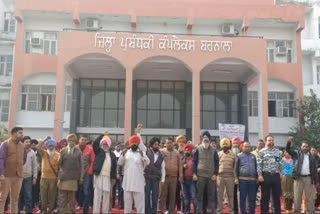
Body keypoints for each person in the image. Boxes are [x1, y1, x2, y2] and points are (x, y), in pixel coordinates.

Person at [118, 129, 150, 214]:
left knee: (140, 206)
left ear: (138, 143)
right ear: (130, 143)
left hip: (138, 183)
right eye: (133, 142)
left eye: (136, 142)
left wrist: (143, 156)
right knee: (127, 206)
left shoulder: (141, 152)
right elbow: (120, 163)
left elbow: (148, 162)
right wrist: (122, 155)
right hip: (127, 182)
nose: (135, 143)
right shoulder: (126, 152)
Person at [286, 136, 318, 214]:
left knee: (309, 197)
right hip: (298, 178)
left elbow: (314, 170)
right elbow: (288, 150)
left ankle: (310, 211)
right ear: (301, 147)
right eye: (303, 146)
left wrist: (315, 181)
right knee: (297, 197)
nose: (305, 148)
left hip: (308, 178)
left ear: (308, 148)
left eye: (306, 146)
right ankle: (297, 211)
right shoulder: (297, 154)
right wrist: (289, 142)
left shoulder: (312, 157)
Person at [0, 127, 25, 214]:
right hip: (6, 175)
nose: (22, 135)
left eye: (22, 133)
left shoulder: (22, 145)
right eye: (20, 133)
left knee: (15, 198)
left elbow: (23, 159)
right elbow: (1, 159)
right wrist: (1, 173)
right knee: (2, 198)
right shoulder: (5, 144)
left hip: (18, 176)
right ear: (13, 133)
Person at [192, 131, 219, 214]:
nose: (205, 140)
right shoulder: (197, 149)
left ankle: (210, 211)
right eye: (204, 138)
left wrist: (215, 174)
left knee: (211, 196)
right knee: (199, 196)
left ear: (209, 140)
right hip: (200, 176)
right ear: (202, 139)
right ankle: (199, 211)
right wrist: (194, 174)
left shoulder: (214, 151)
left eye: (207, 138)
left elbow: (217, 163)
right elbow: (195, 162)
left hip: (211, 176)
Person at [257, 135, 284, 214]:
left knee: (276, 197)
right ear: (266, 141)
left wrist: (284, 174)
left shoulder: (278, 152)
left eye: (272, 140)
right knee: (265, 197)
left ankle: (276, 212)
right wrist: (259, 175)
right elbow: (259, 164)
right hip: (266, 176)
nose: (271, 142)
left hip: (276, 176)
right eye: (269, 140)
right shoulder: (261, 152)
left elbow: (281, 164)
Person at [92, 132, 117, 214]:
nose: (105, 145)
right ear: (102, 144)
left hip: (108, 177)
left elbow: (114, 167)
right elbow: (95, 143)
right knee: (97, 196)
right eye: (104, 144)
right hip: (98, 175)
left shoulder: (112, 155)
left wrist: (113, 178)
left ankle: (105, 212)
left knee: (106, 196)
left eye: (106, 144)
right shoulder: (99, 152)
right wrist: (102, 135)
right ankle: (96, 212)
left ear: (109, 145)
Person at [58, 134, 83, 214]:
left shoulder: (78, 151)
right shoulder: (63, 150)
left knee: (72, 198)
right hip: (63, 177)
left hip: (73, 177)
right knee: (63, 197)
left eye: (73, 141)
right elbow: (59, 164)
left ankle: (71, 211)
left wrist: (81, 177)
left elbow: (81, 165)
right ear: (67, 141)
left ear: (75, 142)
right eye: (70, 140)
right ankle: (62, 211)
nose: (71, 142)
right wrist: (61, 156)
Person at [158, 137, 183, 214]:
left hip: (174, 178)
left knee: (173, 196)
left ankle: (171, 211)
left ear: (172, 144)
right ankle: (159, 210)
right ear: (165, 144)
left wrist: (181, 175)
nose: (169, 144)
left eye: (170, 143)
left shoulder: (177, 153)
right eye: (168, 143)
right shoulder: (161, 151)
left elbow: (180, 165)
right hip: (164, 177)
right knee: (161, 194)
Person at [37, 137, 60, 214]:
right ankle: (43, 210)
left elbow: (60, 166)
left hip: (54, 178)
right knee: (43, 195)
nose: (50, 147)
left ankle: (50, 210)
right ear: (47, 146)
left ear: (55, 147)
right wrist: (45, 139)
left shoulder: (58, 154)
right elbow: (37, 147)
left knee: (52, 195)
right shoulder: (44, 153)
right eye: (49, 146)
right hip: (44, 177)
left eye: (52, 146)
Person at [144, 137, 165, 214]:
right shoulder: (147, 151)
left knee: (155, 196)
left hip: (156, 179)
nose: (157, 146)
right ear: (152, 145)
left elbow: (163, 168)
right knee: (146, 196)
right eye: (155, 144)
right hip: (147, 177)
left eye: (158, 144)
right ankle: (147, 211)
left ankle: (153, 212)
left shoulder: (161, 155)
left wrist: (162, 180)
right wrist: (139, 133)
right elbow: (141, 145)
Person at [216, 138, 237, 214]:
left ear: (229, 145)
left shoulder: (233, 155)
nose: (225, 145)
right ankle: (219, 211)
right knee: (219, 195)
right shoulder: (218, 154)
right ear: (221, 145)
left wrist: (235, 177)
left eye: (226, 144)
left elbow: (235, 167)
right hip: (220, 177)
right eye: (223, 144)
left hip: (230, 177)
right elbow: (215, 165)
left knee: (230, 195)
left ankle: (231, 211)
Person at [18, 136, 38, 214]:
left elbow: (34, 166)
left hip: (28, 177)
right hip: (18, 177)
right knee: (19, 195)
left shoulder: (32, 152)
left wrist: (35, 177)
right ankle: (18, 210)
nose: (28, 143)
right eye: (26, 142)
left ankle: (29, 211)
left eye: (29, 142)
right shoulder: (18, 151)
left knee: (28, 195)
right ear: (22, 142)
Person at [236, 142, 257, 214]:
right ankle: (243, 212)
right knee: (242, 198)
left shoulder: (253, 156)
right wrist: (236, 178)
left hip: (252, 181)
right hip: (242, 180)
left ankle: (252, 212)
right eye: (245, 146)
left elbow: (256, 167)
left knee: (252, 198)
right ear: (242, 147)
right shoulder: (239, 156)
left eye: (248, 146)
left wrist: (257, 178)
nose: (247, 148)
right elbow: (236, 168)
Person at [76, 135, 95, 214]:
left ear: (87, 141)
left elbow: (93, 161)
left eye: (85, 140)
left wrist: (90, 171)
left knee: (86, 192)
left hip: (86, 174)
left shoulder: (90, 149)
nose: (83, 141)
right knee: (76, 191)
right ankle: (79, 204)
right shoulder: (75, 148)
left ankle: (85, 209)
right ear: (79, 140)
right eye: (82, 139)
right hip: (76, 174)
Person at [182, 144, 197, 214]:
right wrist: (183, 166)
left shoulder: (194, 159)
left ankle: (196, 211)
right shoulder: (182, 159)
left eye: (188, 150)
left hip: (192, 181)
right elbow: (179, 168)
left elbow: (197, 168)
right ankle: (187, 211)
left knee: (194, 197)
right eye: (185, 150)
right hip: (184, 180)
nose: (187, 151)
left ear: (191, 151)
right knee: (186, 198)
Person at [231, 137, 242, 214]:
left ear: (239, 144)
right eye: (234, 143)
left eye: (236, 143)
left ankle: (241, 209)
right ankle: (235, 210)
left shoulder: (243, 153)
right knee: (233, 194)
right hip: (231, 177)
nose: (235, 145)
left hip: (242, 177)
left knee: (242, 194)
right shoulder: (229, 153)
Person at [31, 139, 41, 212]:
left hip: (39, 173)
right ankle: (32, 203)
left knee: (37, 189)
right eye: (32, 145)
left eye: (35, 145)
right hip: (30, 173)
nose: (33, 146)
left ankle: (36, 202)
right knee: (31, 189)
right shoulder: (28, 152)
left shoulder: (40, 153)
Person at [112, 142, 124, 209]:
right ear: (115, 147)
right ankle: (112, 204)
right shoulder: (112, 154)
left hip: (120, 175)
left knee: (121, 190)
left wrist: (119, 173)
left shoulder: (123, 153)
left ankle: (120, 204)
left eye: (119, 146)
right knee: (113, 190)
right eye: (117, 146)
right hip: (113, 174)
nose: (118, 147)